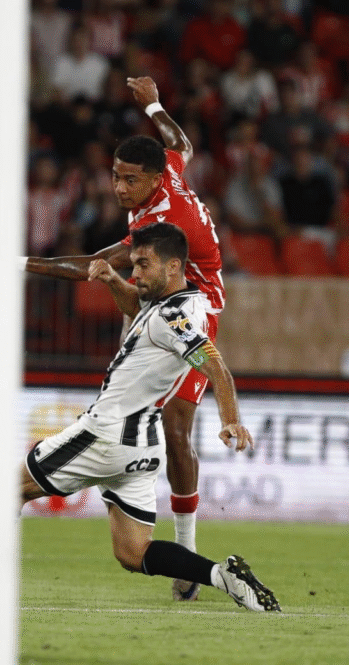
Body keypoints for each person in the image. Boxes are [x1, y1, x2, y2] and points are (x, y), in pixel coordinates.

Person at [0, 77, 226, 604]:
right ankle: (183, 549)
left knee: (176, 425)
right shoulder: (166, 172)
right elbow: (181, 144)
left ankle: (186, 552)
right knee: (136, 413)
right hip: (156, 298)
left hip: (193, 304)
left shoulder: (168, 217)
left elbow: (92, 265)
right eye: (115, 176)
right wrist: (156, 106)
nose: (119, 188)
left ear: (152, 180)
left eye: (129, 180)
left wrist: (14, 262)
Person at [23, 222, 278, 612]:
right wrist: (113, 280)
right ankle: (222, 576)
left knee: (9, 489)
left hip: (106, 433)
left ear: (173, 266)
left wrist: (230, 418)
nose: (135, 273)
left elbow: (215, 366)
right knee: (133, 552)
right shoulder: (177, 304)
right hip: (142, 445)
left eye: (143, 264)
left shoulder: (172, 318)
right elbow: (139, 311)